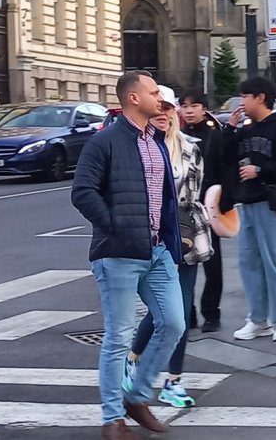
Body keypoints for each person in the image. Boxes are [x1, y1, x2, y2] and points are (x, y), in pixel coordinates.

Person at [71, 71, 186, 440]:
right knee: (119, 338)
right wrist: (115, 226)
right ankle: (112, 419)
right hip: (118, 253)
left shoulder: (155, 141)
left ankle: (136, 397)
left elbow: (163, 198)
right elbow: (83, 191)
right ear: (133, 99)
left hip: (156, 251)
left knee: (174, 324)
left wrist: (170, 237)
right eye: (154, 92)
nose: (160, 99)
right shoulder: (104, 142)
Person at [126, 96, 213, 409]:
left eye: (167, 108)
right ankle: (134, 358)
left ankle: (173, 380)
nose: (162, 114)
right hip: (148, 237)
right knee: (161, 309)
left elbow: (195, 192)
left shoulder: (190, 146)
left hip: (184, 236)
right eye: (157, 108)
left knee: (182, 308)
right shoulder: (136, 145)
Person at [226, 76, 276, 343]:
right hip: (247, 202)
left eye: (245, 96)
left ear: (260, 97)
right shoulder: (246, 130)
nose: (242, 102)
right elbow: (227, 158)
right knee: (250, 262)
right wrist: (230, 129)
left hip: (272, 202)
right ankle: (258, 319)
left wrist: (260, 170)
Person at [179, 89, 227, 333]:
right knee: (185, 262)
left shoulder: (214, 136)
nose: (188, 110)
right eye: (184, 106)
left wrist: (222, 202)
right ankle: (188, 315)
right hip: (183, 207)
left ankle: (211, 313)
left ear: (203, 108)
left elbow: (222, 171)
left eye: (194, 105)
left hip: (208, 205)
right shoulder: (177, 136)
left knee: (212, 262)